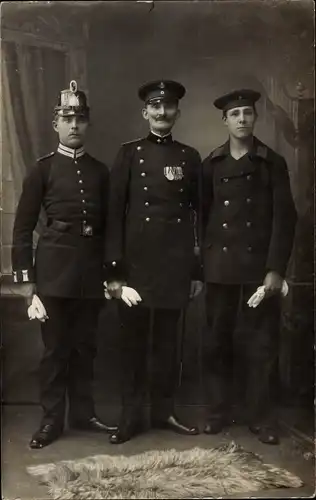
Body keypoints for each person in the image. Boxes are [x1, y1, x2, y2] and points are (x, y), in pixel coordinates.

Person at [11, 80, 117, 449]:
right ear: (55, 124)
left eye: (81, 119)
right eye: (67, 118)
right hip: (54, 275)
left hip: (90, 274)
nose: (74, 126)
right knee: (56, 351)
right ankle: (52, 420)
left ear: (88, 125)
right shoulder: (41, 170)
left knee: (86, 348)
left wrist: (110, 272)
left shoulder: (101, 172)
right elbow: (23, 229)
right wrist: (27, 286)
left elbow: (109, 229)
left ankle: (83, 414)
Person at [105, 80, 202, 444]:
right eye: (155, 107)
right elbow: (114, 215)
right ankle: (131, 416)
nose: (162, 113)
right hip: (135, 268)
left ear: (178, 112)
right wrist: (114, 271)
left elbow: (198, 216)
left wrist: (195, 271)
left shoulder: (189, 157)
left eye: (169, 107)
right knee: (132, 344)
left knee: (167, 346)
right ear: (145, 112)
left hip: (174, 268)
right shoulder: (129, 154)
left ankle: (164, 412)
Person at [201, 89, 297, 445]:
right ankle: (216, 413)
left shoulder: (272, 162)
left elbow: (284, 219)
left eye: (247, 113)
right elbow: (204, 217)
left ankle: (262, 418)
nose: (242, 119)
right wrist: (204, 267)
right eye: (235, 114)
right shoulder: (211, 165)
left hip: (258, 271)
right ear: (224, 121)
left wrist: (275, 269)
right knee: (216, 342)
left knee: (261, 345)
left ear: (255, 119)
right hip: (220, 269)